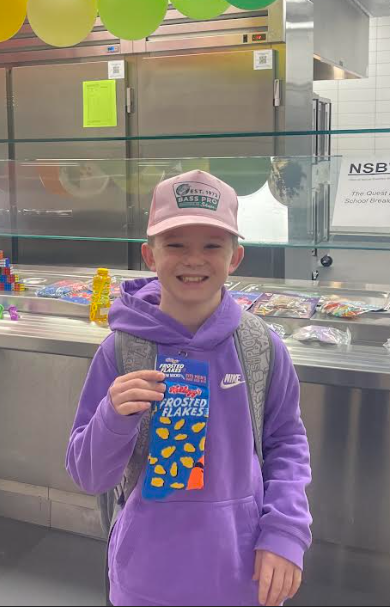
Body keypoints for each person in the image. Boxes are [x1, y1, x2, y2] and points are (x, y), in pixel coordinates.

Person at [66, 169, 312, 607]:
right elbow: (89, 475)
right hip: (146, 580)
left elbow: (287, 444)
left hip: (242, 574)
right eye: (175, 244)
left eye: (212, 246)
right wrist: (113, 417)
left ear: (235, 258)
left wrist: (285, 532)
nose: (193, 259)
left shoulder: (260, 347)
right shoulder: (121, 350)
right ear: (149, 254)